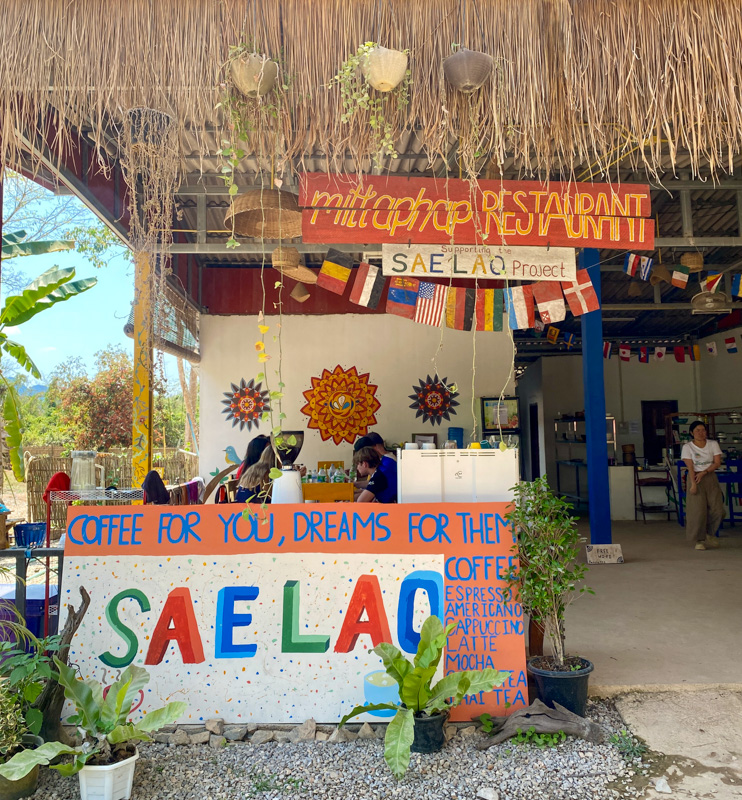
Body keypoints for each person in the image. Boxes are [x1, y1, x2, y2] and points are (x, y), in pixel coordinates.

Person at [680, 421, 724, 550]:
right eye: (697, 430)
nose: (701, 433)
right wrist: (693, 484)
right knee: (698, 511)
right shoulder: (688, 447)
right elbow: (690, 466)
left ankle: (710, 533)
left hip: (709, 476)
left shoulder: (713, 444)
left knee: (718, 509)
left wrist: (705, 472)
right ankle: (699, 540)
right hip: (695, 477)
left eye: (703, 430)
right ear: (691, 433)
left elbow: (717, 463)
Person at [354, 433, 397, 502]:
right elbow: (373, 486)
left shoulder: (387, 463)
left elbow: (375, 485)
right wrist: (354, 484)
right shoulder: (382, 462)